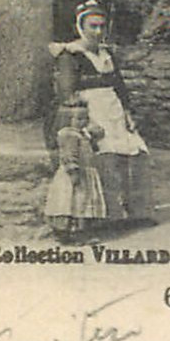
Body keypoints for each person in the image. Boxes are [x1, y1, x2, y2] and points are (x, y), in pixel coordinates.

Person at [51, 1, 153, 225]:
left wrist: (127, 113)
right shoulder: (70, 55)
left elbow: (120, 87)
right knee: (106, 156)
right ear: (80, 27)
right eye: (92, 26)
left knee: (136, 152)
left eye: (101, 27)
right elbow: (68, 94)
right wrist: (84, 123)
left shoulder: (107, 54)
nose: (98, 32)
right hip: (91, 112)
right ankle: (107, 215)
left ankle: (135, 212)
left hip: (114, 109)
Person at [44, 101, 106, 241]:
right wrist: (73, 171)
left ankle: (82, 231)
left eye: (86, 118)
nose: (83, 122)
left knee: (84, 203)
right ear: (67, 120)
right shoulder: (68, 135)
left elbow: (95, 145)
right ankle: (69, 232)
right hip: (75, 174)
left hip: (87, 173)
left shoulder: (82, 134)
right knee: (74, 202)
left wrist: (93, 135)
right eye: (79, 119)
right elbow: (68, 154)